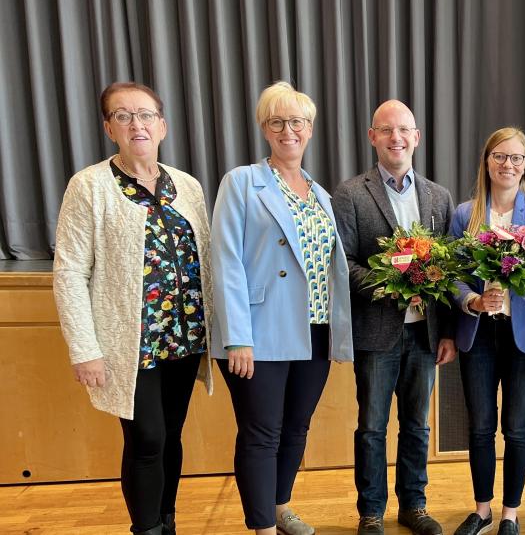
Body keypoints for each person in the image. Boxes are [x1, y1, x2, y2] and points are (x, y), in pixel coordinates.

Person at [53, 82, 214, 535]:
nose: (136, 124)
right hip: (130, 344)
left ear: (162, 125)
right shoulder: (89, 186)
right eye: (123, 116)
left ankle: (168, 521)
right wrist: (84, 348)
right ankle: (145, 529)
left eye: (145, 115)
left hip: (184, 338)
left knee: (173, 436)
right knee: (147, 439)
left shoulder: (187, 185)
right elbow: (69, 272)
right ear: (109, 128)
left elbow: (205, 261)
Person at [210, 81, 353, 535]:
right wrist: (237, 336)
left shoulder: (322, 195)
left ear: (310, 130)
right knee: (261, 433)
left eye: (296, 122)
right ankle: (261, 527)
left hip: (313, 330)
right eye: (277, 122)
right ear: (265, 129)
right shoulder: (242, 182)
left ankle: (279, 506)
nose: (288, 130)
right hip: (258, 331)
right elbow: (225, 260)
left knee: (295, 430)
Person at [332, 99, 457, 535]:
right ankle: (371, 512)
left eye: (404, 130)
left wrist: (449, 334)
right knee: (371, 427)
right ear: (373, 137)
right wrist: (389, 284)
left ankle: (414, 505)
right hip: (376, 332)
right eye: (386, 130)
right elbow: (342, 265)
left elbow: (448, 269)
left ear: (417, 137)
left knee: (418, 426)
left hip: (425, 334)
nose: (396, 138)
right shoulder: (349, 194)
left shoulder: (438, 197)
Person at [449, 128, 525, 535]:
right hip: (478, 336)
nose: (508, 165)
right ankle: (481, 509)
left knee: (517, 427)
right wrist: (473, 301)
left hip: (524, 338)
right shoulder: (466, 215)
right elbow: (453, 279)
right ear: (487, 161)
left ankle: (510, 513)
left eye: (517, 158)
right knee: (480, 426)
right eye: (500, 157)